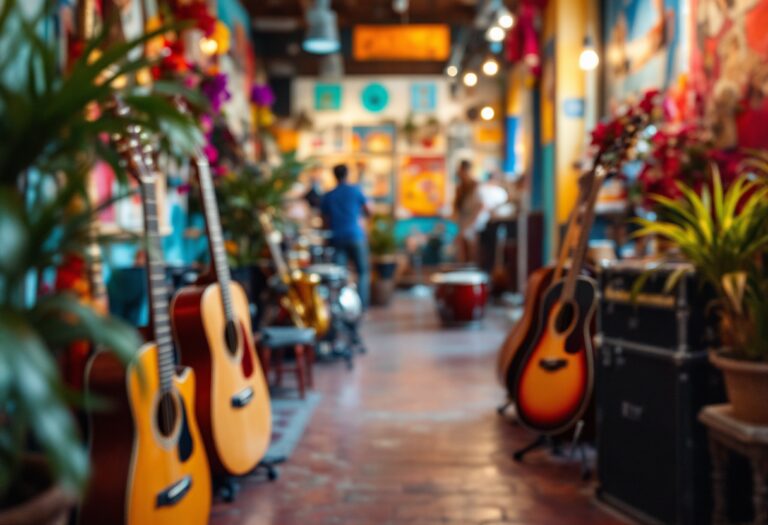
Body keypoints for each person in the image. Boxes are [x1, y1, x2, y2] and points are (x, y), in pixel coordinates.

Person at [321, 164, 372, 308]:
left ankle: (341, 306)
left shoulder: (329, 195)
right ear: (347, 174)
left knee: (340, 275)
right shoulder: (355, 191)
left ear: (334, 175)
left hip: (336, 237)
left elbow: (325, 220)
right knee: (362, 272)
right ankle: (361, 306)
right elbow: (369, 210)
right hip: (355, 235)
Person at [453, 159, 482, 263]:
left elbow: (480, 206)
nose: (460, 173)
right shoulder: (460, 188)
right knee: (462, 253)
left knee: (471, 254)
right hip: (462, 224)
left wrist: (470, 224)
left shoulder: (475, 186)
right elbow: (456, 208)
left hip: (472, 225)